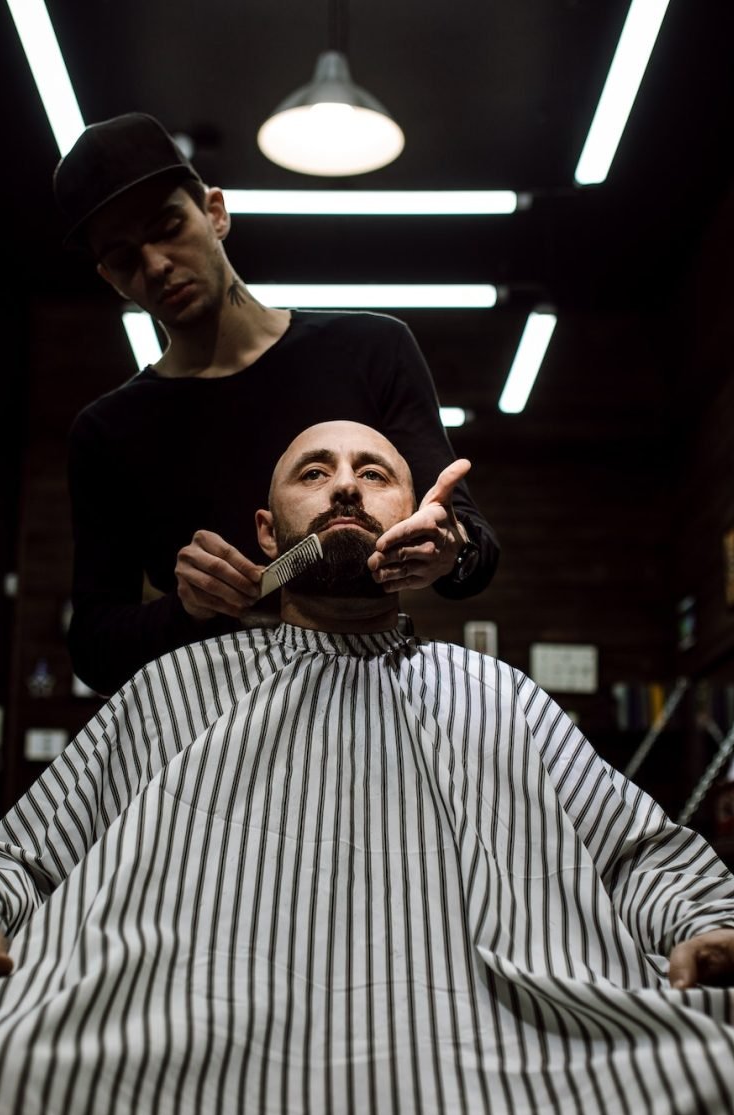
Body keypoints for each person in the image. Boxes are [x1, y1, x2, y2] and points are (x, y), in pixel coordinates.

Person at [0, 421, 734, 1115]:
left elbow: (636, 853)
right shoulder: (174, 685)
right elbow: (26, 854)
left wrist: (709, 922)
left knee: (711, 1065)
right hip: (171, 1022)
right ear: (268, 533)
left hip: (492, 1036)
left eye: (373, 474)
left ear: (419, 521)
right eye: (314, 473)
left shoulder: (498, 695)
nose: (345, 486)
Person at [52, 111, 500, 696]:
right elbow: (93, 648)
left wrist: (450, 551)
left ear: (215, 211)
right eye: (125, 258)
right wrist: (185, 610)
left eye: (168, 227)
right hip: (212, 717)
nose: (156, 264)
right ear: (110, 277)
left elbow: (470, 549)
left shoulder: (371, 351)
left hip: (364, 693)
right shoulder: (109, 433)